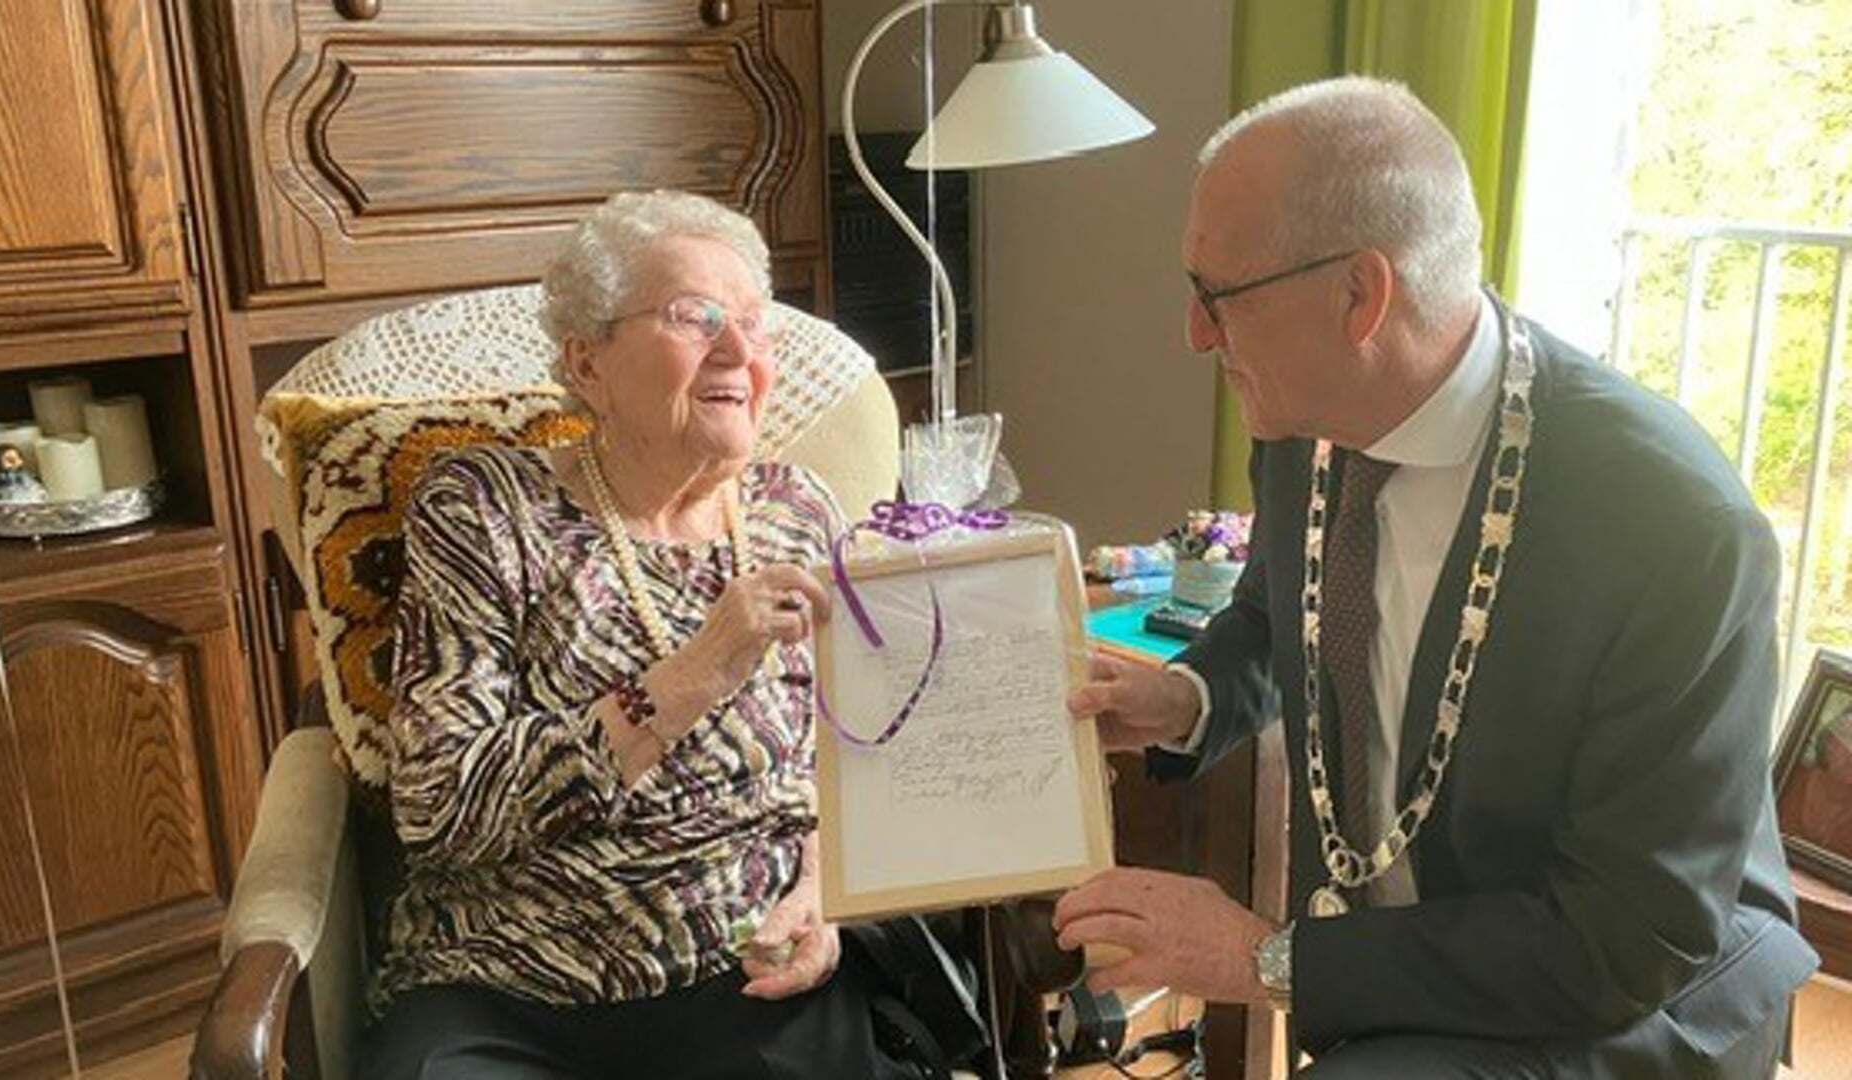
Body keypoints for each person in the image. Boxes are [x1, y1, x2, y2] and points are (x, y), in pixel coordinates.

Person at [1055, 77, 1818, 1077]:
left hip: (1625, 995)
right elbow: (1283, 614)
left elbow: (1631, 936)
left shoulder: (1674, 527)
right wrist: (1187, 696)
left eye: (1218, 296)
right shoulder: (1304, 424)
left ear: (1360, 296)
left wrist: (1269, 956)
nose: (1197, 335)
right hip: (1409, 953)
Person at [365, 190, 895, 1079]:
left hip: (748, 969)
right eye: (697, 318)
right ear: (588, 364)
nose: (739, 352)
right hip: (509, 982)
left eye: (757, 328)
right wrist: (698, 671)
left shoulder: (797, 512)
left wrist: (822, 893)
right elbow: (440, 804)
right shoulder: (489, 507)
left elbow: (846, 759)